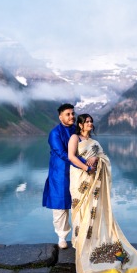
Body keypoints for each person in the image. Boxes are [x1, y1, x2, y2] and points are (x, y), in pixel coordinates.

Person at [68, 114, 137, 273]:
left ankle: (93, 240)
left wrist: (97, 159)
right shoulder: (74, 138)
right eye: (87, 121)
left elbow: (105, 159)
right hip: (80, 179)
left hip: (95, 179)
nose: (90, 123)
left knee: (94, 210)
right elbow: (71, 157)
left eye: (91, 121)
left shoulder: (95, 142)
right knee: (80, 210)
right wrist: (86, 166)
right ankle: (80, 241)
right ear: (80, 124)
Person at [42, 104, 97, 249]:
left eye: (73, 113)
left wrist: (94, 158)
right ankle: (62, 237)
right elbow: (62, 153)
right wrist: (84, 163)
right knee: (60, 206)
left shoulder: (76, 130)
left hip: (78, 173)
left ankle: (80, 234)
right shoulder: (55, 133)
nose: (71, 116)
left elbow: (88, 145)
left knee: (79, 203)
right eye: (68, 114)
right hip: (60, 174)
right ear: (60, 117)